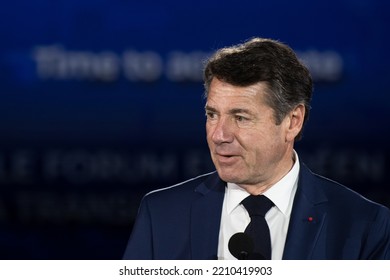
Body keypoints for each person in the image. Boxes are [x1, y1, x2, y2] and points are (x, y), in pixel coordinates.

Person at [123, 37, 390, 260]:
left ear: (292, 121)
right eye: (212, 115)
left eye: (240, 118)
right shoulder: (161, 214)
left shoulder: (363, 225)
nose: (219, 135)